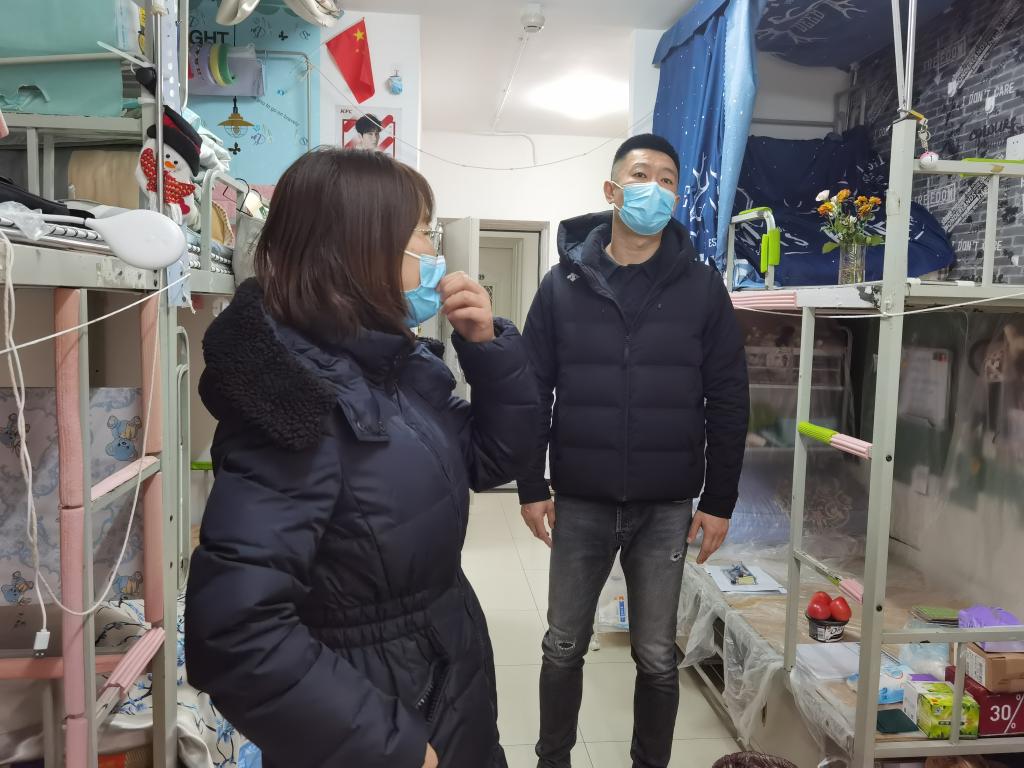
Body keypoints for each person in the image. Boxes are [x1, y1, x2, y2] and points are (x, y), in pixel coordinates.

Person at [185, 148, 537, 768]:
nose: (434, 252)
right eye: (422, 233)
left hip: (443, 684)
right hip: (385, 722)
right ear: (361, 248)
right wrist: (393, 747)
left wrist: (488, 350)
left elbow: (493, 460)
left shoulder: (394, 368)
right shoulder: (295, 399)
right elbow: (237, 636)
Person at [517, 133, 749, 768]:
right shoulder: (562, 285)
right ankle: (552, 761)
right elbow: (532, 391)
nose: (655, 188)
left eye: (668, 179)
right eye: (642, 175)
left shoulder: (701, 287)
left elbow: (729, 396)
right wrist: (531, 484)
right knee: (563, 644)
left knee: (656, 654)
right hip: (581, 498)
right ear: (612, 190)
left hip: (666, 504)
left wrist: (720, 499)